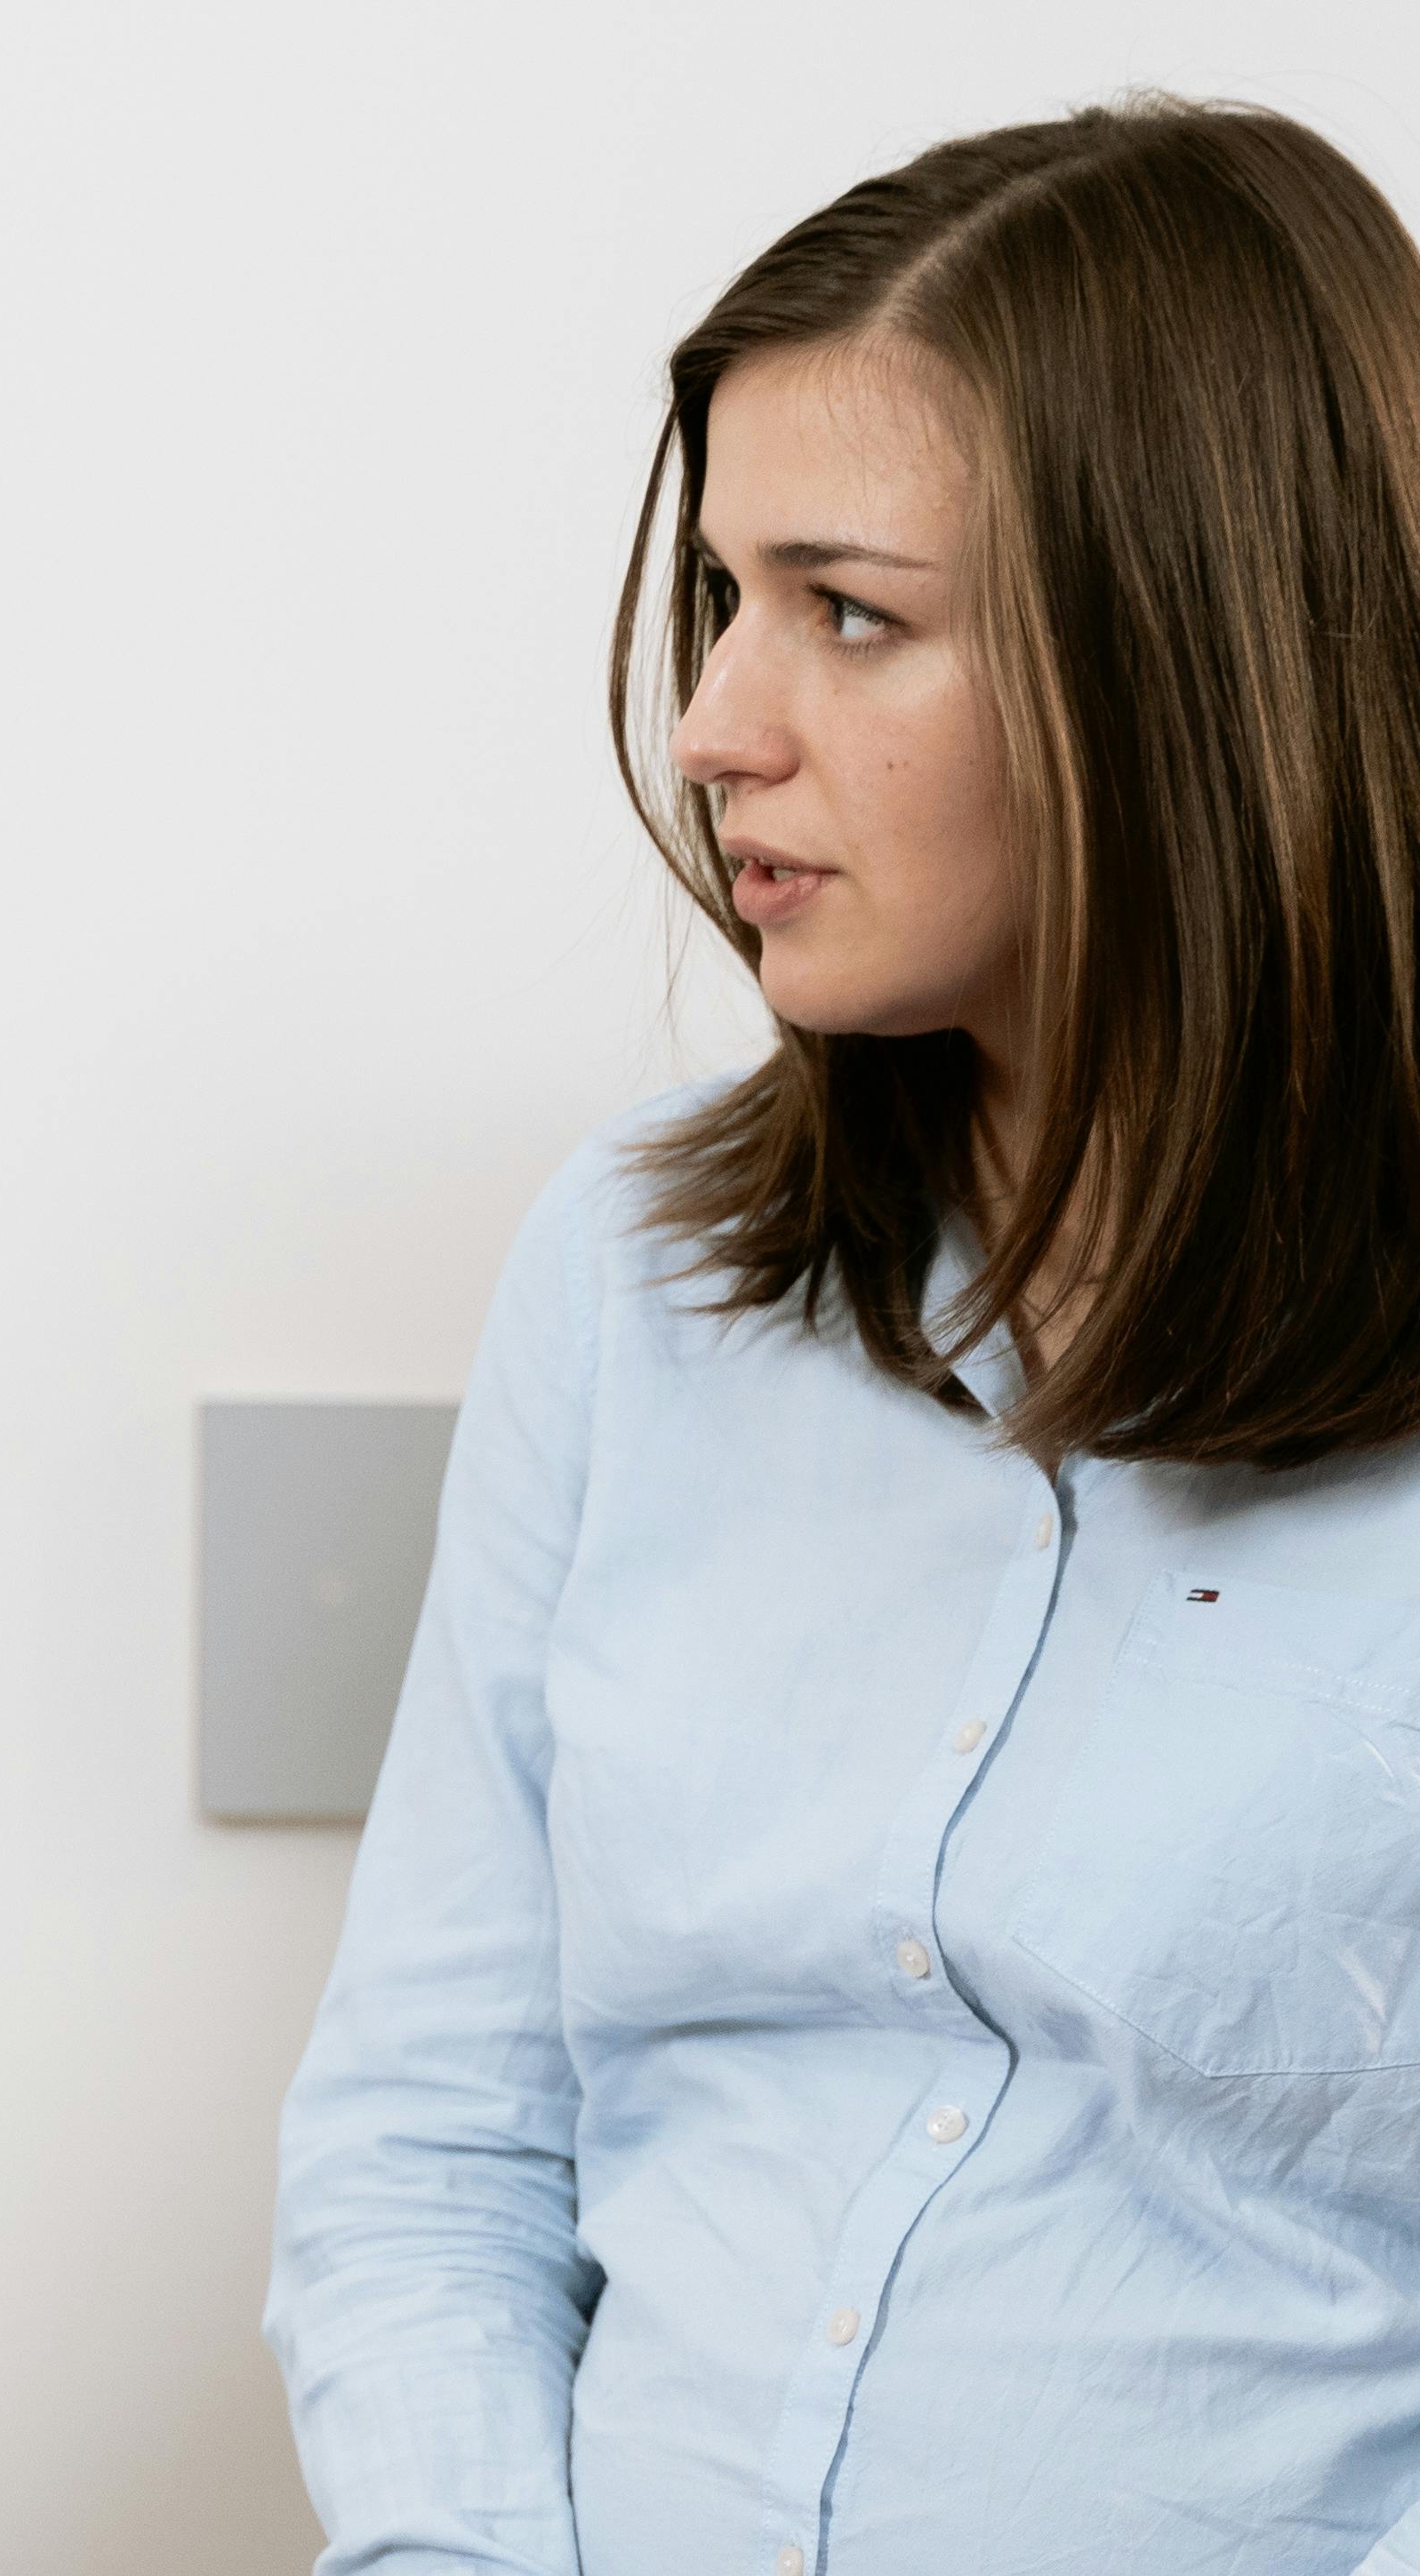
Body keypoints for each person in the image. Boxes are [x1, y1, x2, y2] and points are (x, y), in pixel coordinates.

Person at [265, 97, 1420, 2576]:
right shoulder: (632, 1272)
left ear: (1191, 665)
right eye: (721, 595)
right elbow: (434, 2138)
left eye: (852, 610)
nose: (714, 727)